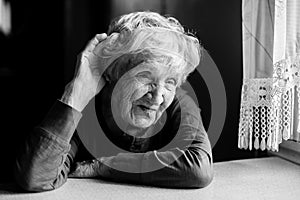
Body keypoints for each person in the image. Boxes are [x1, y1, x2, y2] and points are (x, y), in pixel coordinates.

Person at [14, 11, 213, 192]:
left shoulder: (180, 103)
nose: (158, 96)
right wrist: (76, 92)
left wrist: (103, 166)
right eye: (145, 76)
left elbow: (197, 168)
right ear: (112, 72)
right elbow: (36, 177)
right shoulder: (85, 105)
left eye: (170, 82)